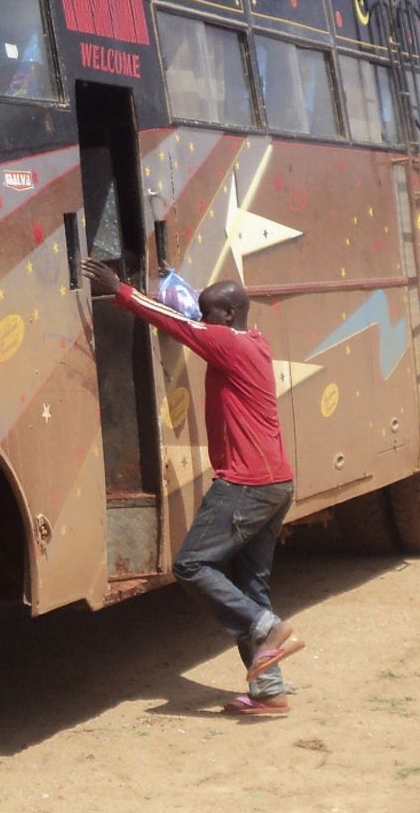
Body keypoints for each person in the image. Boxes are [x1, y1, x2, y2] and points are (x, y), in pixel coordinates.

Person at [80, 257, 301, 715]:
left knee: (192, 565)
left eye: (208, 314)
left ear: (223, 319)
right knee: (251, 584)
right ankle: (270, 691)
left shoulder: (224, 344)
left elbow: (176, 323)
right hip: (277, 482)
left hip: (246, 483)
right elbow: (199, 313)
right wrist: (176, 279)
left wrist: (119, 290)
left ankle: (267, 626)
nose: (201, 320)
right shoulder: (252, 340)